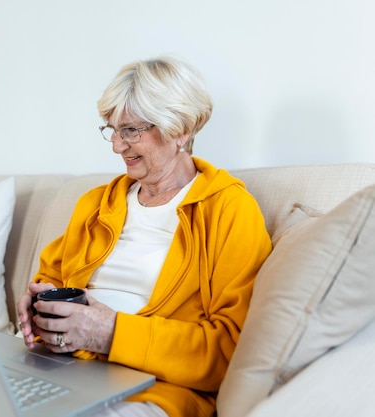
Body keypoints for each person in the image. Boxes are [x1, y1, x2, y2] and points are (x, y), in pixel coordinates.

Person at [16, 55, 272, 417]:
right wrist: (39, 305)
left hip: (152, 387)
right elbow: (52, 277)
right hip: (67, 370)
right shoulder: (96, 204)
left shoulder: (228, 209)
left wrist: (111, 333)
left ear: (180, 130)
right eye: (112, 129)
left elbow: (230, 350)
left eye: (131, 130)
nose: (117, 146)